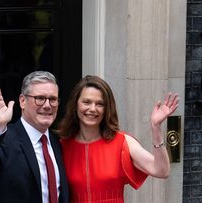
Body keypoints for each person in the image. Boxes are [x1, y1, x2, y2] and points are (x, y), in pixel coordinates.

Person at [57, 75, 179, 203]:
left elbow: (161, 170)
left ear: (107, 109)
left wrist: (156, 128)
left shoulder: (122, 142)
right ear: (75, 105)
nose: (92, 109)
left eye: (100, 104)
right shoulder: (62, 145)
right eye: (86, 102)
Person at [0, 71, 69, 203]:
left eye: (53, 99)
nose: (47, 105)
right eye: (40, 98)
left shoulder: (57, 141)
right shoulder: (4, 139)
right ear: (22, 101)